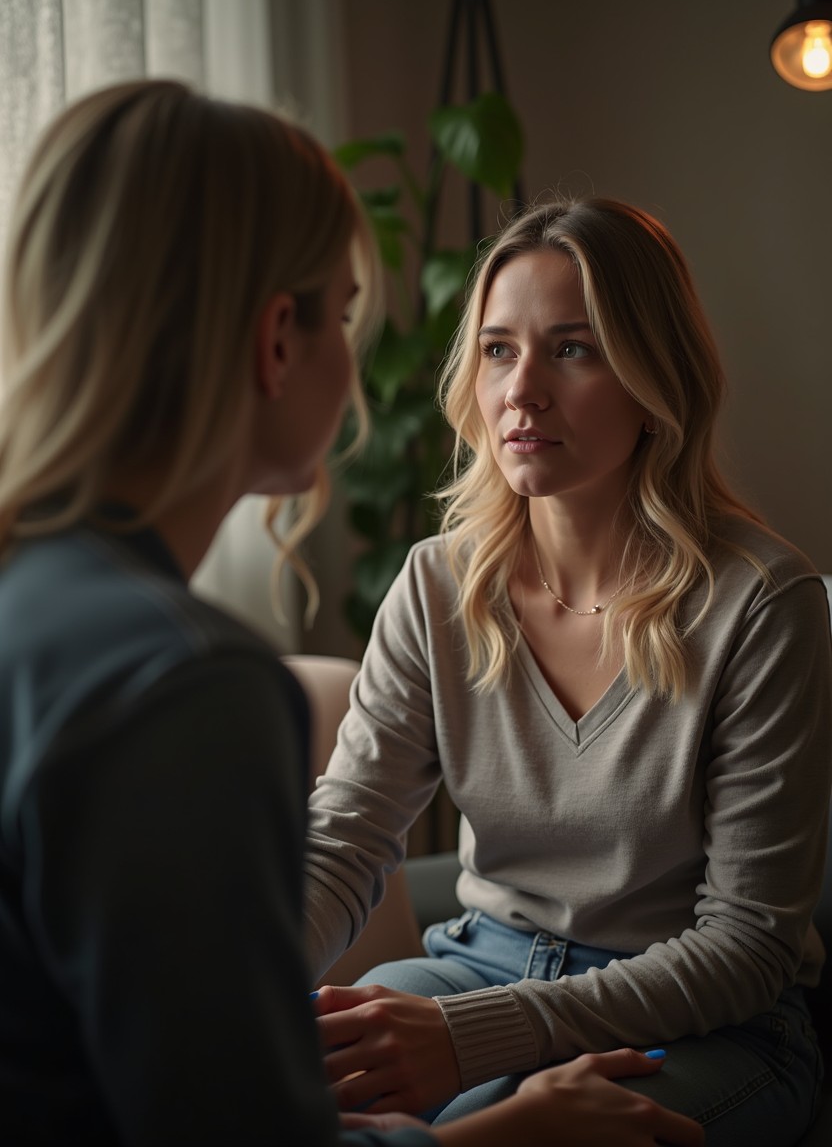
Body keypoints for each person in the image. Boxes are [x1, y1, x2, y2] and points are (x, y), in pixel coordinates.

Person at [0, 82, 704, 1147]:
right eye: (341, 311)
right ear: (276, 340)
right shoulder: (185, 679)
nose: (513, 390)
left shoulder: (39, 608)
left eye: (572, 347)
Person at [304, 196, 832, 1146]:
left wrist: (472, 1042)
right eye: (499, 349)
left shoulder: (763, 602)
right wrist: (226, 994)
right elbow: (345, 836)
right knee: (294, 1091)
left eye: (574, 349)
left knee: (483, 1127)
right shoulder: (438, 583)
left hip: (704, 1021)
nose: (523, 391)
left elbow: (749, 947)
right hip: (477, 964)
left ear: (654, 377)